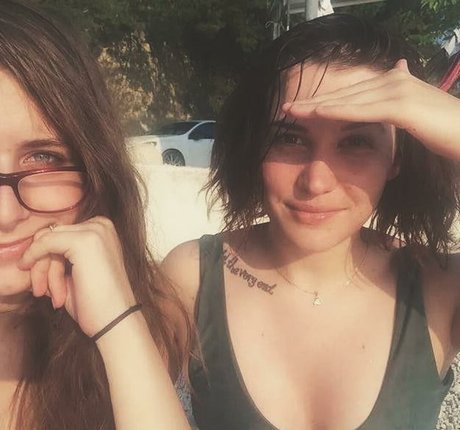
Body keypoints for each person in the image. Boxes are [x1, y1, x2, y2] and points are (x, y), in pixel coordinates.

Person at [162, 13, 460, 430]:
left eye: (356, 141)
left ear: (396, 157)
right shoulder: (192, 277)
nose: (316, 181)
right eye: (289, 137)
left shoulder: (440, 287)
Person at [0, 1, 190, 429]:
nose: (5, 214)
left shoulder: (149, 325)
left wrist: (119, 327)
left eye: (43, 158)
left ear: (96, 173)